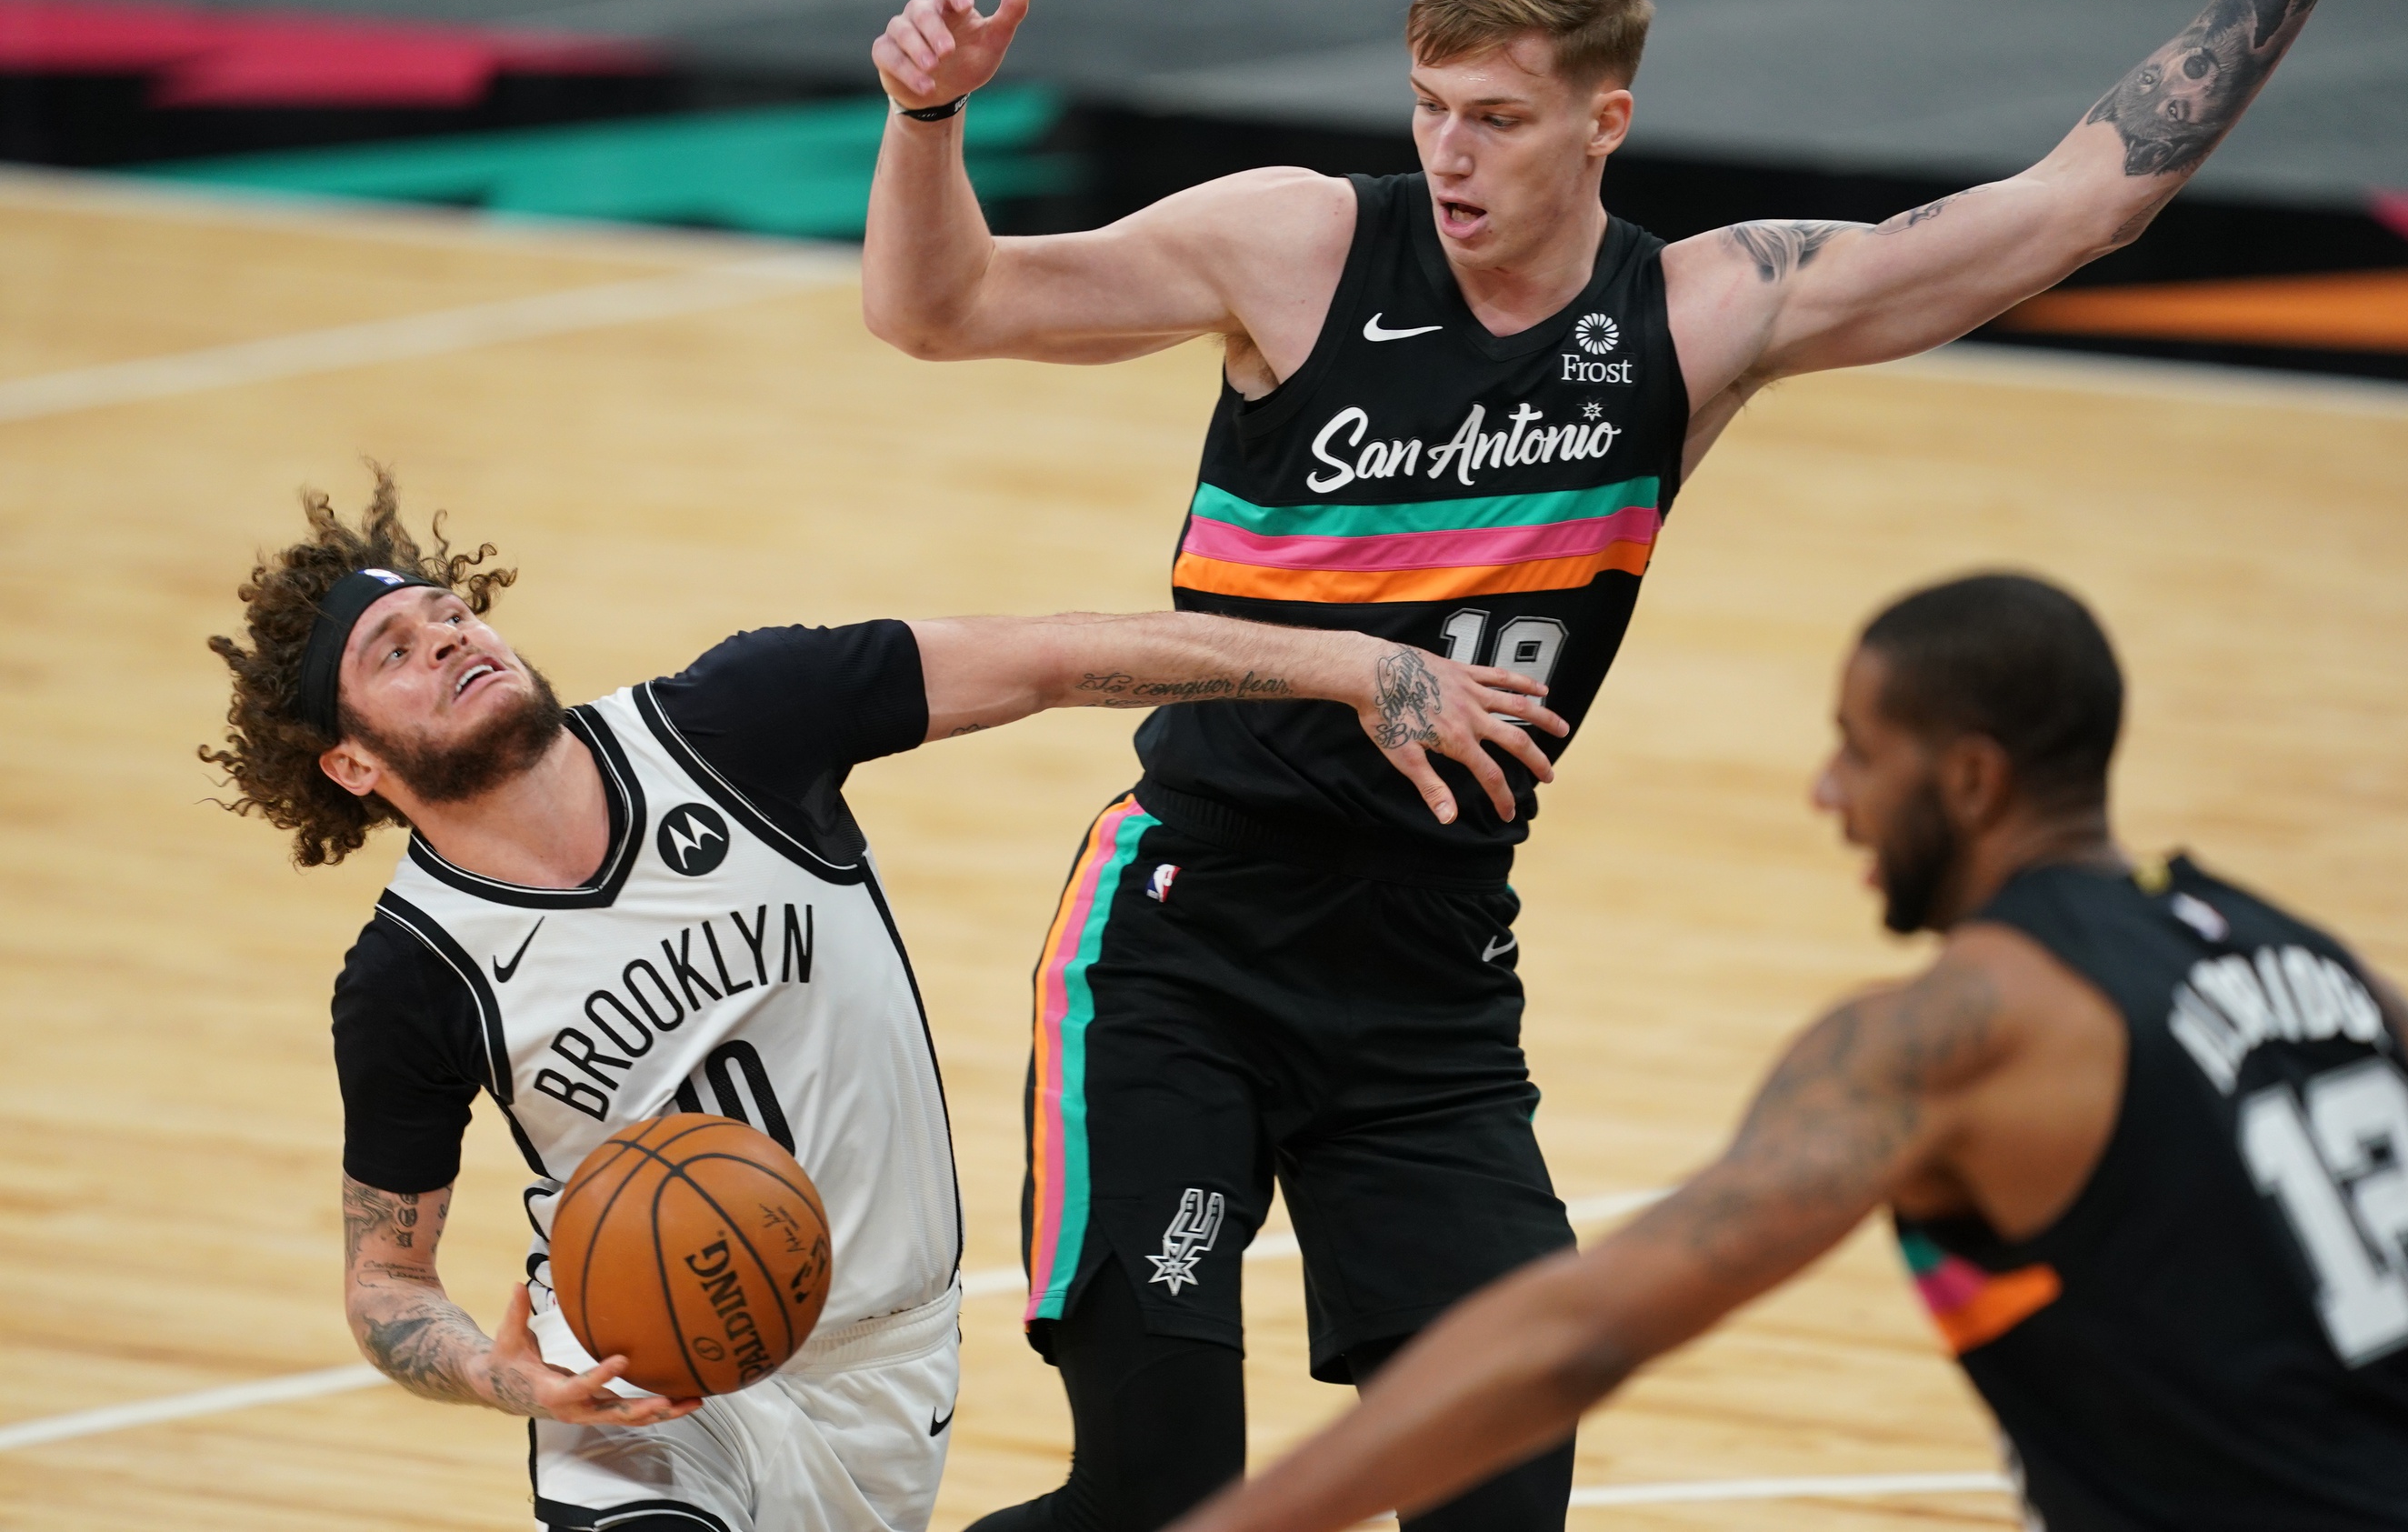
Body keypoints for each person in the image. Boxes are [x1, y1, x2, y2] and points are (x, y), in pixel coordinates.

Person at [860, 0, 2394, 1527]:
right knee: (1154, 1493)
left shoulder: (1699, 312)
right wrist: (927, 117)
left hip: (1429, 984)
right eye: (1428, 106)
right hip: (1189, 941)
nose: (1448, 154)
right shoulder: (1292, 245)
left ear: (1605, 121)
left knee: (1503, 1495)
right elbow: (941, 308)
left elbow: (2080, 204)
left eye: (1497, 118)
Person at [196, 471, 1561, 1532]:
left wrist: (1349, 666)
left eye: (449, 613)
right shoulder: (411, 974)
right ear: (351, 766)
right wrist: (502, 1375)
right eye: (396, 652)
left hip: (880, 1355)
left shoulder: (736, 722)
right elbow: (387, 1280)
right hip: (643, 1376)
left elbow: (1053, 658)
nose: (449, 640)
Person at [1164, 571, 2408, 1532]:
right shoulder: (2319, 962)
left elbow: (1578, 1336)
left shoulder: (1954, 1033)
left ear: (1972, 781)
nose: (1829, 793)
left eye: (1860, 752)